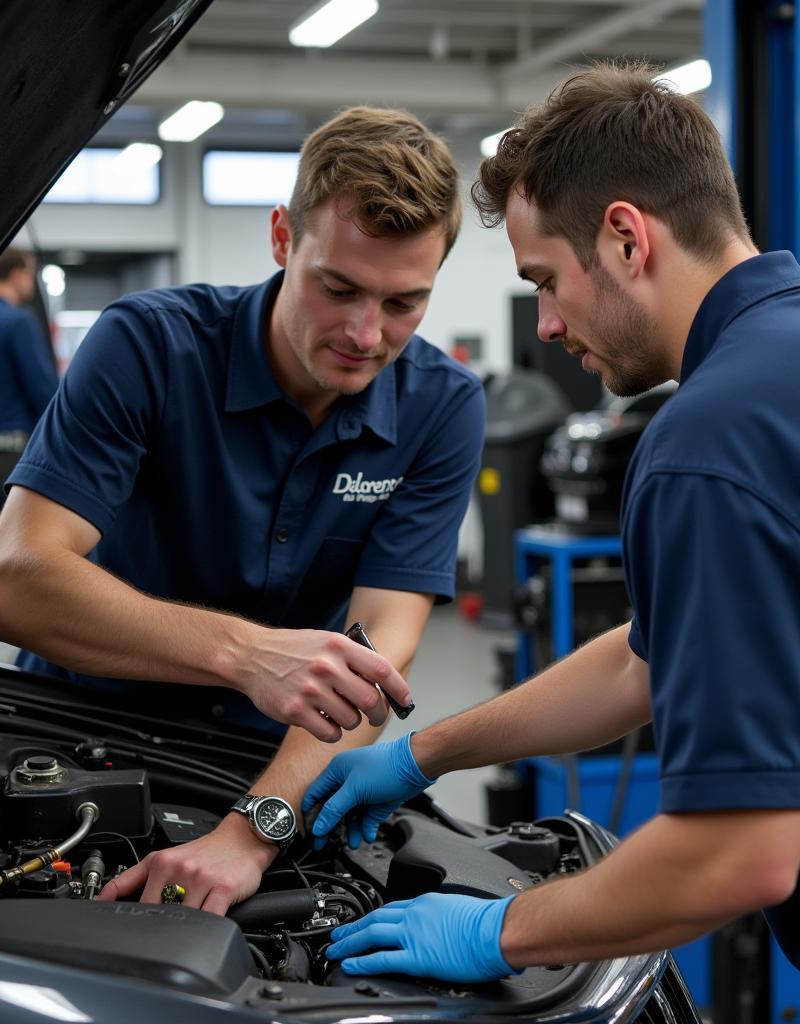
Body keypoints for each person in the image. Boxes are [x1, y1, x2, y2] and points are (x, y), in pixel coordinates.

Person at [303, 62, 800, 1020]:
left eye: (547, 282)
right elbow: (652, 658)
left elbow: (737, 855)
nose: (549, 324)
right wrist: (424, 753)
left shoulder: (713, 440)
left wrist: (496, 930)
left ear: (627, 236)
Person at [0, 106, 485, 915]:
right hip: (75, 734)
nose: (366, 334)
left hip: (269, 766)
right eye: (339, 289)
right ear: (282, 240)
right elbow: (17, 577)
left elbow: (379, 654)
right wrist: (246, 655)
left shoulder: (443, 407)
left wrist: (254, 833)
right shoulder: (148, 348)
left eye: (404, 303)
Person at [0, 247, 59, 437]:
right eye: (30, 273)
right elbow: (42, 389)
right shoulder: (19, 321)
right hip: (11, 444)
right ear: (17, 275)